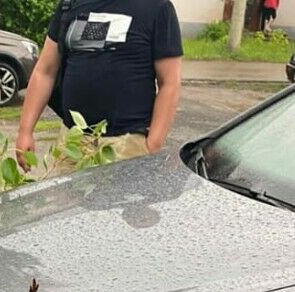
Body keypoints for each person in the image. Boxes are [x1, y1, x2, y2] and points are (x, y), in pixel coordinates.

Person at [15, 0, 183, 172]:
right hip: (73, 144)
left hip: (127, 147)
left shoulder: (157, 7)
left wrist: (152, 145)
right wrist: (25, 130)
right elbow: (45, 72)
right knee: (66, 200)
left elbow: (170, 83)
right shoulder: (71, 4)